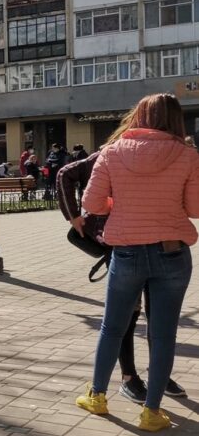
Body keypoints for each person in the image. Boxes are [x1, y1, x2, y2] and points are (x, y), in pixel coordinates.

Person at [77, 94, 199, 431]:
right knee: (163, 335)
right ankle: (151, 412)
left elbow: (92, 203)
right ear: (176, 119)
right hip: (172, 252)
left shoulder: (112, 152)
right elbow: (195, 209)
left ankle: (97, 396)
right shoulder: (188, 155)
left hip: (127, 251)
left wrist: (121, 203)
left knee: (112, 327)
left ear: (139, 116)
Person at [58, 151, 186, 404]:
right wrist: (74, 216)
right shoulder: (114, 152)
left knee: (155, 315)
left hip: (159, 241)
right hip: (123, 242)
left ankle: (158, 376)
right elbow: (66, 174)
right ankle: (129, 377)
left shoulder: (167, 151)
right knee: (128, 313)